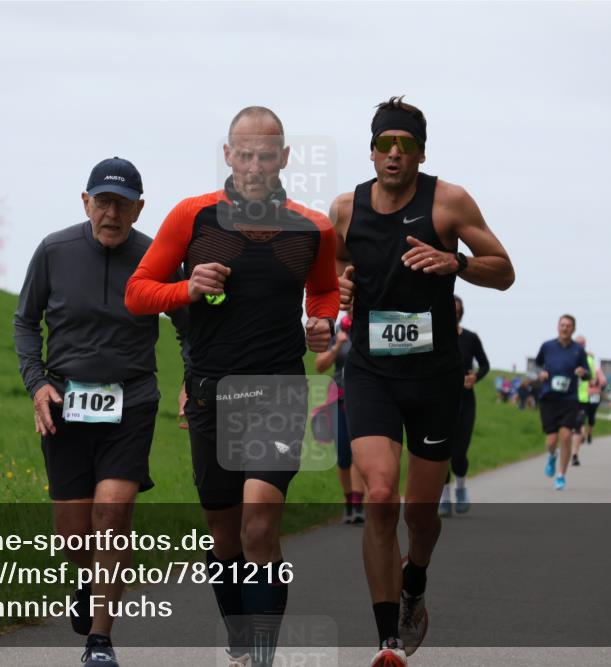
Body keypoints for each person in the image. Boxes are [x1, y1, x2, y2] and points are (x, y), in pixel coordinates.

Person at [125, 106, 339, 667]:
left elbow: (322, 293)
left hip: (275, 390)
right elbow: (138, 292)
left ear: (284, 159)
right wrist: (187, 289)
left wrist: (322, 324)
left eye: (266, 156)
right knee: (223, 538)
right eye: (243, 154)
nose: (253, 166)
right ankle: (241, 642)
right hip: (209, 392)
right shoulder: (191, 218)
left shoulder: (313, 227)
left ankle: (263, 654)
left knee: (259, 523)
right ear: (227, 154)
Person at [332, 96, 514, 665]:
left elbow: (505, 271)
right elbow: (333, 267)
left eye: (405, 145)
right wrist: (340, 287)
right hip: (370, 372)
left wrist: (455, 263)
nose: (394, 153)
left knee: (420, 515)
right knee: (381, 494)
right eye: (385, 143)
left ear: (421, 152)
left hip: (434, 379)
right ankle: (388, 638)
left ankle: (416, 581)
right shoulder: (345, 208)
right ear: (371, 150)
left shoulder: (449, 202)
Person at [14, 157, 187, 667]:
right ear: (85, 202)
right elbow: (26, 322)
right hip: (66, 403)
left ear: (138, 208)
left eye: (122, 204)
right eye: (102, 201)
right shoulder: (54, 250)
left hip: (131, 401)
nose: (111, 213)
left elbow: (186, 323)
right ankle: (89, 581)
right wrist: (37, 384)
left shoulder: (157, 255)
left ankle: (100, 640)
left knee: (111, 513)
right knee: (73, 534)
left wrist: (191, 382)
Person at [438, 295, 489, 516]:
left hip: (465, 400)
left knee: (459, 452)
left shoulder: (470, 338)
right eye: (450, 310)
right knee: (442, 451)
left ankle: (460, 488)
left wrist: (474, 378)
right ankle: (444, 496)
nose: (454, 314)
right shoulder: (434, 336)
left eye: (457, 311)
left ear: (461, 313)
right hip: (439, 400)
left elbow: (485, 365)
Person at [315, 313, 366, 524]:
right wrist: (337, 347)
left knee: (357, 454)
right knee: (343, 456)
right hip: (339, 400)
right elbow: (319, 366)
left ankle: (358, 505)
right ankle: (348, 502)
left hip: (363, 399)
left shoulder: (367, 328)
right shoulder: (337, 332)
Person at [534, 314, 589, 491]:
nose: (564, 328)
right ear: (558, 327)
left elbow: (587, 373)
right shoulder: (547, 346)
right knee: (551, 441)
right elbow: (537, 364)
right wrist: (541, 374)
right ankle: (551, 455)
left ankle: (561, 475)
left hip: (569, 399)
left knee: (566, 436)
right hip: (549, 398)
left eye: (568, 326)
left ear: (573, 329)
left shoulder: (578, 350)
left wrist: (582, 372)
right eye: (562, 325)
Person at [570, 335, 605, 467]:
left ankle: (574, 454)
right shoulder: (567, 356)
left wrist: (591, 380)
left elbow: (593, 378)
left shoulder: (589, 360)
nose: (579, 346)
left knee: (579, 425)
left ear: (584, 345)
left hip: (583, 397)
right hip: (567, 397)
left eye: (581, 344)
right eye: (577, 343)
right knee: (569, 427)